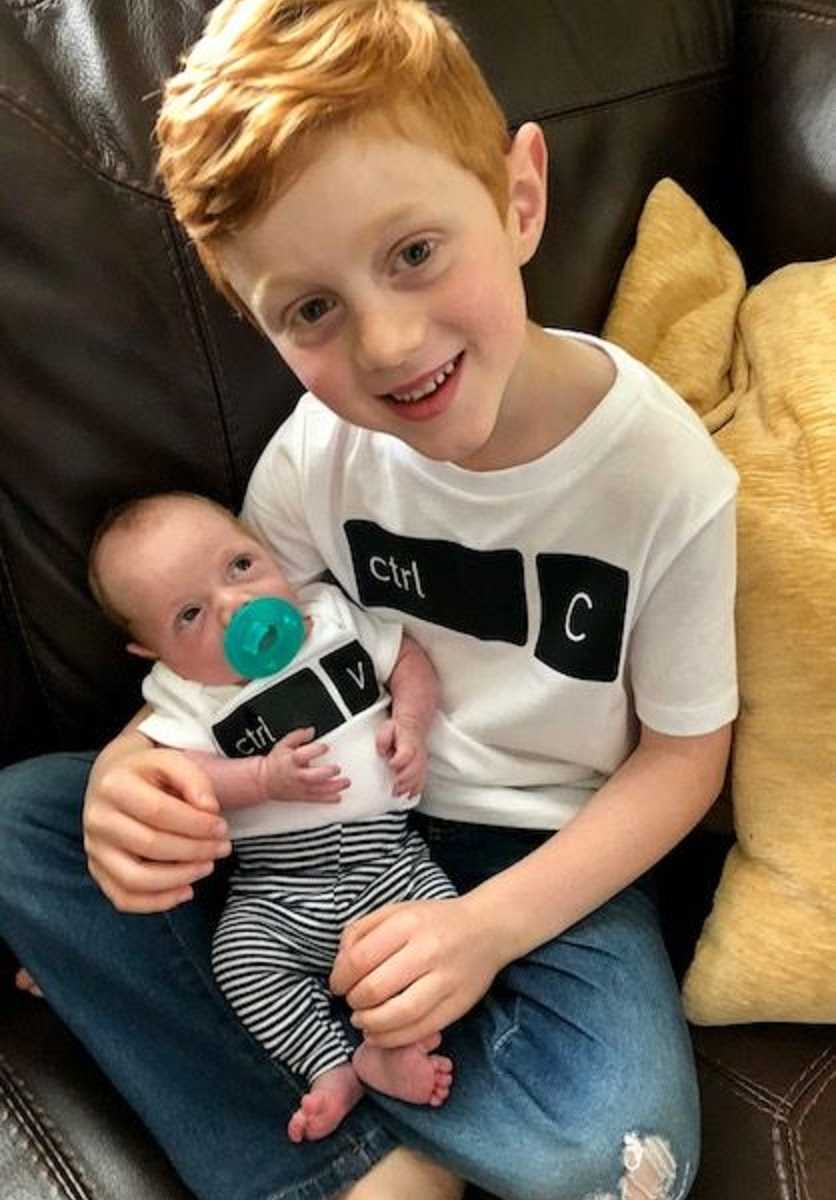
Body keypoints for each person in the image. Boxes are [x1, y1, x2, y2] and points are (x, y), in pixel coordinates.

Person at [0, 2, 739, 1198]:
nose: (390, 344)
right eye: (311, 310)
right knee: (27, 823)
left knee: (622, 1159)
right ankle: (370, 1149)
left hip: (539, 855)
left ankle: (311, 1115)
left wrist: (484, 931)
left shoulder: (663, 478)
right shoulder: (314, 458)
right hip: (309, 843)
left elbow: (682, 760)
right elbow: (244, 656)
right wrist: (135, 774)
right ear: (262, 325)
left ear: (516, 198)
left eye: (413, 253)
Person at [86, 490, 455, 1143]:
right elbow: (179, 773)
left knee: (447, 931)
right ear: (154, 655)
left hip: (391, 859)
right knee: (240, 960)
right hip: (278, 889)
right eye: (192, 614)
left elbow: (409, 662)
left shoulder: (332, 615)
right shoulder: (184, 696)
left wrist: (412, 724)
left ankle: (391, 1047)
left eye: (240, 567)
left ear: (267, 551)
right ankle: (331, 1063)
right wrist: (260, 778)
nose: (237, 607)